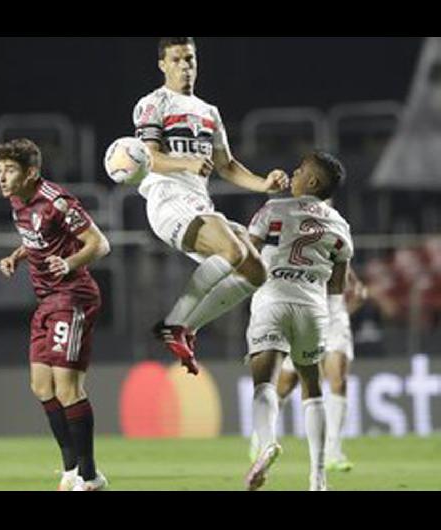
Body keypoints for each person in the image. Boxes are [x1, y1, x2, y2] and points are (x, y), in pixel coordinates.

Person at [133, 37, 289, 375]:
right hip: (167, 200)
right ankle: (174, 323)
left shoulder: (208, 112)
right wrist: (185, 164)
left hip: (198, 203)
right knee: (233, 250)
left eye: (189, 59)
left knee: (256, 271)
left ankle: (188, 327)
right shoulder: (153, 103)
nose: (185, 66)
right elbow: (148, 158)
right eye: (176, 60)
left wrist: (264, 183)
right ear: (162, 64)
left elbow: (227, 165)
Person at [0, 139, 112, 492]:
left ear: (31, 173)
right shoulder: (18, 200)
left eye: (9, 170)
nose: (1, 177)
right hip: (46, 301)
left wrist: (70, 262)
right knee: (41, 387)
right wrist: (17, 256)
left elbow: (100, 244)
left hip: (73, 297)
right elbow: (37, 239)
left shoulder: (58, 201)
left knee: (68, 388)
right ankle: (71, 469)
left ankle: (91, 476)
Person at [243, 151, 353, 492]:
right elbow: (338, 283)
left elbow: (245, 255)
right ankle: (318, 479)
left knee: (265, 384)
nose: (294, 172)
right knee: (312, 388)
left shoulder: (274, 209)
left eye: (300, 169)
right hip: (313, 310)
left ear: (313, 181)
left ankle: (267, 443)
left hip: (273, 300)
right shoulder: (339, 224)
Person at [259, 267, 368, 472]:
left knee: (339, 379)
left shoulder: (336, 239)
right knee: (287, 383)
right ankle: (262, 433)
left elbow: (343, 260)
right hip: (304, 314)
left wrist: (356, 286)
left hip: (335, 316)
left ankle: (333, 452)